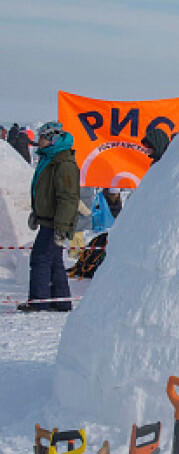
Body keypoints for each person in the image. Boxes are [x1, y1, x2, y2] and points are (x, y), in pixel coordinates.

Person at [18, 122, 79, 312]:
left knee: (40, 259)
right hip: (48, 220)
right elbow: (45, 193)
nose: (39, 140)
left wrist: (62, 226)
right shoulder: (50, 160)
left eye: (42, 137)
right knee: (53, 261)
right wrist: (37, 214)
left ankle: (39, 301)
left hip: (55, 222)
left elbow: (68, 198)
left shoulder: (63, 164)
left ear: (52, 139)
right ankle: (61, 302)